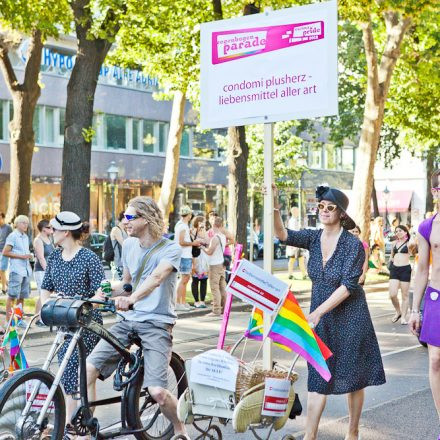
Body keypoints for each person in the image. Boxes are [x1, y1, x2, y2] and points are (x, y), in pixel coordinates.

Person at [272, 184, 385, 440]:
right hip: (320, 316)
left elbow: (347, 286)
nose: (323, 210)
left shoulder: (353, 245)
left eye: (329, 207)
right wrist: (276, 205)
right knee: (317, 375)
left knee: (353, 376)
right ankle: (309, 436)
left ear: (341, 213)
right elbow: (282, 234)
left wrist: (318, 313)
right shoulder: (313, 237)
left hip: (351, 316)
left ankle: (352, 432)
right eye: (320, 206)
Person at [86, 196, 189, 439]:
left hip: (156, 322)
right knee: (89, 369)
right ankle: (87, 430)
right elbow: (128, 285)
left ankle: (180, 428)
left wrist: (132, 300)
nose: (125, 221)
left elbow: (155, 278)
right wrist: (105, 293)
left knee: (157, 392)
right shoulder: (130, 246)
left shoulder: (171, 249)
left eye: (130, 217)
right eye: (124, 216)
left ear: (147, 219)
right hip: (128, 321)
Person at [40, 211, 105, 438]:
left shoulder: (89, 258)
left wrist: (84, 306)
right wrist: (46, 306)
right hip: (64, 325)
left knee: (85, 378)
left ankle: (81, 427)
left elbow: (101, 292)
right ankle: (70, 427)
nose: (50, 232)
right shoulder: (54, 258)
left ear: (65, 232)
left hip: (86, 325)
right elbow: (45, 287)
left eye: (54, 229)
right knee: (68, 378)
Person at [409, 169, 440, 439]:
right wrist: (414, 309)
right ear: (434, 191)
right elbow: (421, 269)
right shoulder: (427, 227)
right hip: (436, 298)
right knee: (436, 361)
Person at [2, 215, 32, 328]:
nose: (26, 225)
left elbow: (25, 253)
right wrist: (22, 256)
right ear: (17, 224)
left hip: (26, 270)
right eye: (23, 222)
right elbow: (5, 252)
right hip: (16, 270)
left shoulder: (26, 237)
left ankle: (19, 320)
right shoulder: (12, 236)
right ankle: (8, 321)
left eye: (27, 223)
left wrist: (28, 257)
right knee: (12, 296)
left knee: (22, 296)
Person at [174, 205, 201, 311]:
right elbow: (181, 242)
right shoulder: (182, 226)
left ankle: (183, 302)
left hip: (185, 255)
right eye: (190, 214)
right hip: (184, 255)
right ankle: (178, 303)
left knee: (185, 279)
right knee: (184, 279)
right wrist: (193, 243)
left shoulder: (182, 225)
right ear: (188, 215)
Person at [387, 224, 415, 324]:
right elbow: (391, 256)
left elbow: (414, 250)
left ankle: (403, 317)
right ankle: (398, 311)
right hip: (394, 269)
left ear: (405, 232)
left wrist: (411, 238)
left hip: (405, 269)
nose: (398, 232)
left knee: (405, 295)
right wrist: (389, 265)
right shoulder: (394, 243)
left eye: (400, 231)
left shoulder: (409, 243)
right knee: (392, 294)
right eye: (396, 231)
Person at [202, 216, 227, 317]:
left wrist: (202, 247)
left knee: (214, 288)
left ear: (213, 225)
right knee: (222, 288)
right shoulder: (223, 236)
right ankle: (224, 309)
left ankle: (216, 310)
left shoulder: (215, 238)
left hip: (214, 265)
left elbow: (210, 252)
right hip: (221, 264)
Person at [33, 219, 54, 326]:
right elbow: (41, 258)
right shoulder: (38, 240)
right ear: (43, 229)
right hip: (41, 270)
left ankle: (41, 317)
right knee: (42, 294)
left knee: (47, 295)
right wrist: (48, 271)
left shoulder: (49, 239)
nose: (51, 229)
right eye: (49, 227)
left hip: (49, 270)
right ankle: (38, 318)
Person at [190, 215, 209, 309]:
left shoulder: (204, 232)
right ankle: (196, 301)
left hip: (204, 258)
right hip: (195, 257)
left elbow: (208, 242)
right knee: (195, 280)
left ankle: (202, 301)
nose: (203, 224)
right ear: (197, 222)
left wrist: (204, 230)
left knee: (204, 280)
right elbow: (192, 243)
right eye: (202, 222)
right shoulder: (192, 231)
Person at [287, 207, 307, 280]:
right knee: (292, 259)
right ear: (294, 212)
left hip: (296, 243)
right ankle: (290, 274)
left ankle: (303, 274)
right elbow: (293, 232)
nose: (298, 213)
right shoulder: (292, 221)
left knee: (301, 258)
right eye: (297, 211)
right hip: (294, 243)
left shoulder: (294, 220)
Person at [110, 211, 128, 280]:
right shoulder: (116, 229)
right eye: (127, 218)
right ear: (123, 218)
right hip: (118, 262)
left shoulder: (125, 230)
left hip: (124, 261)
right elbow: (124, 244)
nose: (129, 220)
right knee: (121, 283)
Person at [0, 213, 12, 294]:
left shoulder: (8, 228)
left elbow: (11, 239)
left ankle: (4, 288)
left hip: (4, 251)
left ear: (3, 218)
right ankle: (7, 283)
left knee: (2, 269)